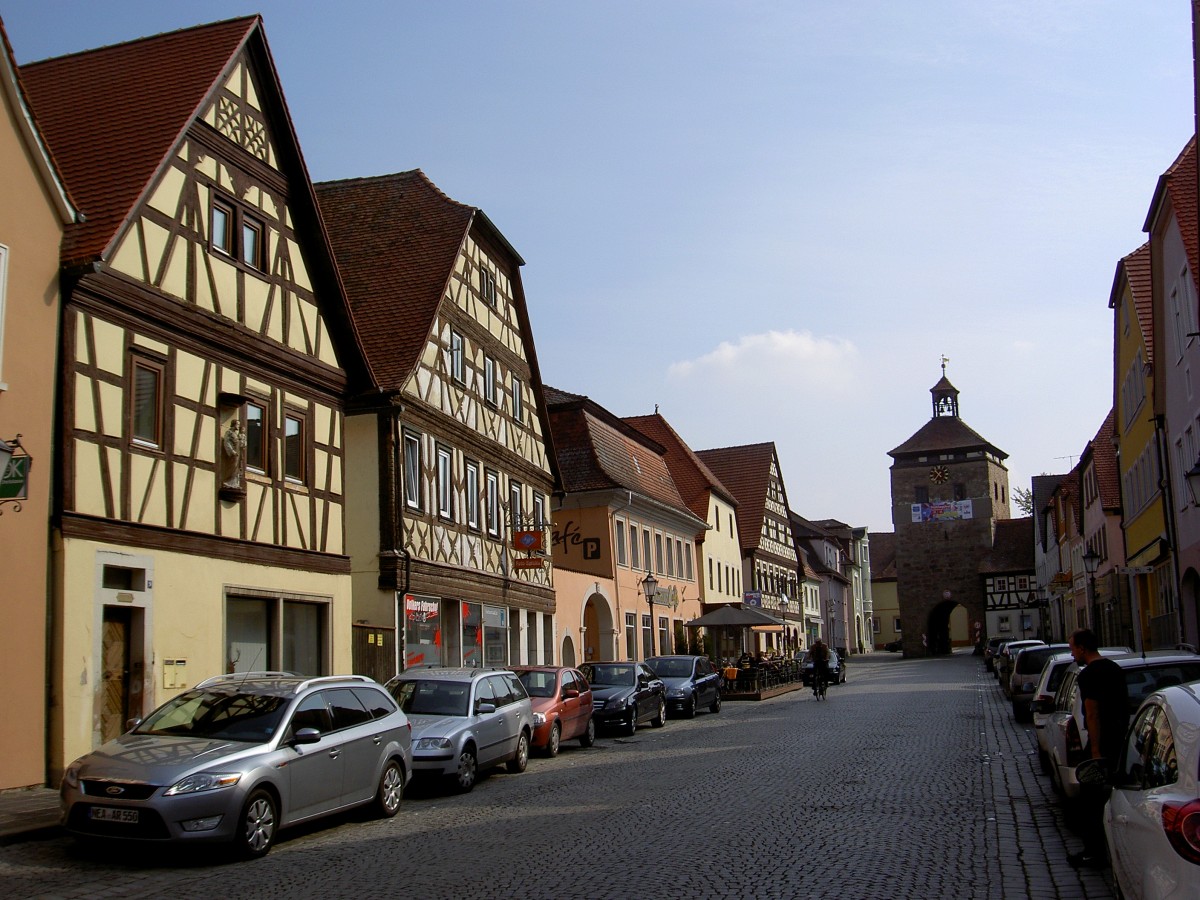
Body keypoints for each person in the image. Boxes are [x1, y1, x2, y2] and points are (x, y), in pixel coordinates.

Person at [1067, 628, 1128, 869]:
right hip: (1120, 740)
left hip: (1101, 744)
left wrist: (1094, 751)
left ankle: (1093, 852)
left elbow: (1092, 714)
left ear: (1083, 648)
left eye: (1073, 648)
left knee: (1090, 802)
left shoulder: (1089, 674)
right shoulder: (1115, 669)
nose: (1072, 654)